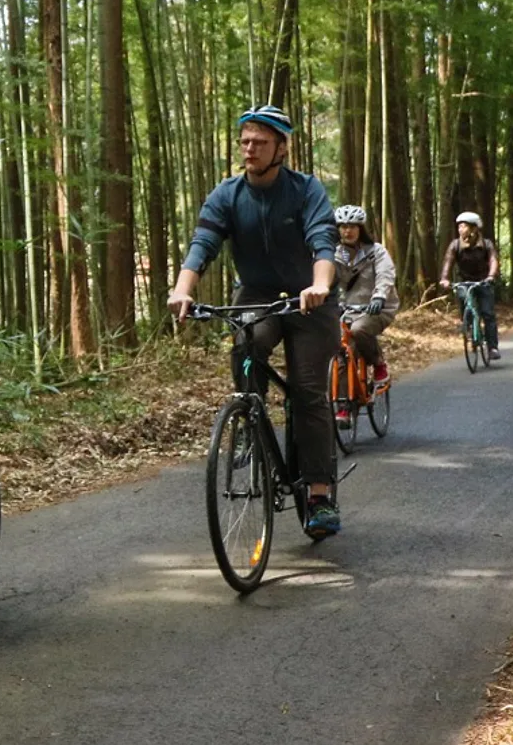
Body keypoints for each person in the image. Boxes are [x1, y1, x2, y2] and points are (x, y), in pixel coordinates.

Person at [167, 103, 342, 540]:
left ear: (282, 147)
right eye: (245, 141)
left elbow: (323, 244)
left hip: (309, 300)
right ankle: (247, 419)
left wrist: (319, 285)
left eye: (260, 142)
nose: (250, 149)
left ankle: (320, 495)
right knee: (246, 343)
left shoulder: (306, 190)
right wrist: (183, 289)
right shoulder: (227, 194)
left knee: (307, 394)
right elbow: (202, 244)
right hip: (258, 294)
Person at [332, 205, 399, 393]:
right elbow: (327, 282)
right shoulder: (335, 254)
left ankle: (379, 365)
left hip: (377, 307)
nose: (348, 231)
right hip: (347, 310)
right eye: (343, 226)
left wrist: (379, 297)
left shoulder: (376, 251)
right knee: (341, 350)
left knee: (359, 329)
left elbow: (385, 275)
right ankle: (343, 404)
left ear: (361, 228)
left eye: (353, 226)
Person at [439, 211, 502, 359]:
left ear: (474, 228)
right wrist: (445, 278)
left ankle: (492, 347)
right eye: (459, 227)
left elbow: (493, 260)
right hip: (464, 281)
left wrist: (491, 276)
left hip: (483, 281)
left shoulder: (486, 244)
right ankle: (468, 326)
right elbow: (448, 261)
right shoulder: (455, 245)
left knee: (488, 314)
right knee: (465, 304)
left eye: (464, 226)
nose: (460, 229)